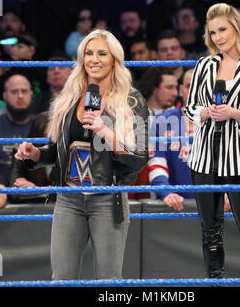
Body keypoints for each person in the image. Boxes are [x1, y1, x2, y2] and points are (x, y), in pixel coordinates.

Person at [14, 29, 149, 280]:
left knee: (108, 280)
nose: (94, 59)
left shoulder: (131, 101)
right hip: (68, 198)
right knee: (61, 278)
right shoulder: (69, 98)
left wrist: (104, 131)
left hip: (107, 199)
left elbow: (139, 158)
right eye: (88, 53)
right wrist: (35, 154)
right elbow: (58, 151)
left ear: (114, 59)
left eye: (101, 53)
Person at [184, 3, 240, 278]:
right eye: (212, 33)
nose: (218, 37)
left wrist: (235, 113)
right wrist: (205, 112)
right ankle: (214, 283)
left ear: (237, 27)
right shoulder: (204, 65)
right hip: (204, 157)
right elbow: (189, 108)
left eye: (222, 29)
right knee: (210, 232)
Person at [148, 68, 195, 210]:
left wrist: (227, 191)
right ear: (181, 90)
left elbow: (228, 165)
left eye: (199, 85)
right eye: (188, 86)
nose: (194, 91)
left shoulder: (220, 122)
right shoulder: (163, 121)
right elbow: (156, 164)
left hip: (214, 203)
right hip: (173, 206)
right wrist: (166, 192)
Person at [0, 74, 36, 186]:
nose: (20, 96)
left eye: (24, 91)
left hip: (37, 195)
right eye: (14, 92)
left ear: (31, 95)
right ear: (5, 96)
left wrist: (39, 188)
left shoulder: (43, 127)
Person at [10, 111, 56, 203]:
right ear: (39, 132)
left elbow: (67, 193)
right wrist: (48, 191)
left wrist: (36, 189)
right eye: (52, 130)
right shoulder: (21, 152)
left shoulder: (65, 152)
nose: (56, 134)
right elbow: (15, 194)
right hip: (31, 212)